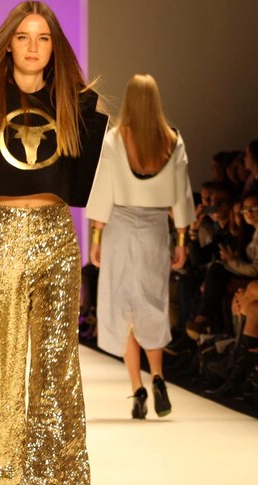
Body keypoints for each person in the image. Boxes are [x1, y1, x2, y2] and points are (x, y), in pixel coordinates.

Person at [0, 2, 107, 483]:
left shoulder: (77, 103)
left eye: (44, 38)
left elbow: (92, 181)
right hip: (2, 234)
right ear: (9, 43)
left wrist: (97, 234)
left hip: (57, 236)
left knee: (58, 363)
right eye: (24, 37)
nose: (34, 47)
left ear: (55, 47)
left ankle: (58, 474)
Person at [86, 74, 196, 419]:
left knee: (124, 306)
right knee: (151, 302)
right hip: (154, 229)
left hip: (119, 226)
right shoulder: (173, 140)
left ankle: (137, 388)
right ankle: (159, 377)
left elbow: (103, 188)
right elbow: (181, 193)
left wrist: (97, 236)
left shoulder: (116, 140)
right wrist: (181, 238)